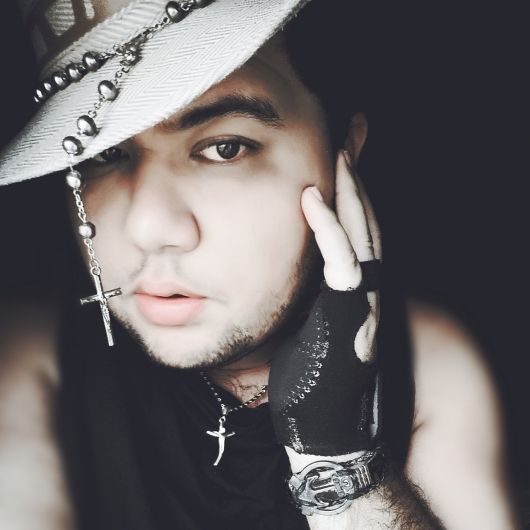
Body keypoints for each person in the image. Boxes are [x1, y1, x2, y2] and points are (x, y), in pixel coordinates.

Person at [0, 0, 518, 528]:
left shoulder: (428, 361)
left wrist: (335, 455)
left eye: (226, 148)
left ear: (343, 152)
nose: (149, 228)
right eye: (103, 154)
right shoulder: (35, 358)